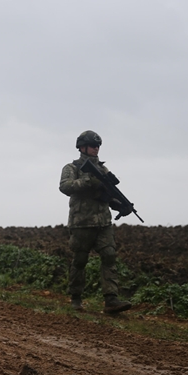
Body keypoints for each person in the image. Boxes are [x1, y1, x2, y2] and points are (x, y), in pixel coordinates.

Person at [59, 130, 133, 314]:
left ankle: (111, 300)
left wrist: (121, 206)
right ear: (82, 147)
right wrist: (87, 182)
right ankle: (76, 298)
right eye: (93, 145)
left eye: (98, 145)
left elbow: (108, 196)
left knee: (109, 256)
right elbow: (65, 186)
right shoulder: (72, 168)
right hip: (81, 222)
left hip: (103, 223)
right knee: (80, 260)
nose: (96, 149)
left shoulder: (102, 170)